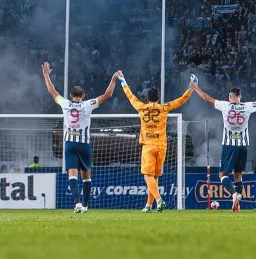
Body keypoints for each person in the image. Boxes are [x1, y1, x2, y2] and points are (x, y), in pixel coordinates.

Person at [189, 80, 256, 213]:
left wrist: (195, 87)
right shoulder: (247, 106)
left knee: (222, 175)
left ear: (230, 96)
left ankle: (234, 194)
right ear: (240, 97)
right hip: (243, 146)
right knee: (238, 176)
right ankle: (237, 205)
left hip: (229, 145)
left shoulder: (225, 105)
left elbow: (206, 98)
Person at [41, 62, 118, 213]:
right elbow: (108, 95)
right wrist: (114, 78)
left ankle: (77, 204)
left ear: (71, 96)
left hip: (70, 143)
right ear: (83, 96)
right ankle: (86, 205)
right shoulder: (88, 104)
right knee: (86, 176)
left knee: (72, 174)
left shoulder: (65, 103)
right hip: (84, 144)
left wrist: (45, 75)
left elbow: (53, 92)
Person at [117, 71, 193, 213]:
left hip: (148, 146)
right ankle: (148, 205)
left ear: (147, 98)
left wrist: (123, 82)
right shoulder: (164, 108)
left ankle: (159, 201)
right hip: (162, 146)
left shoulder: (141, 107)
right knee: (155, 177)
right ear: (158, 98)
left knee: (147, 176)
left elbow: (130, 96)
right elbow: (181, 100)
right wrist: (191, 88)